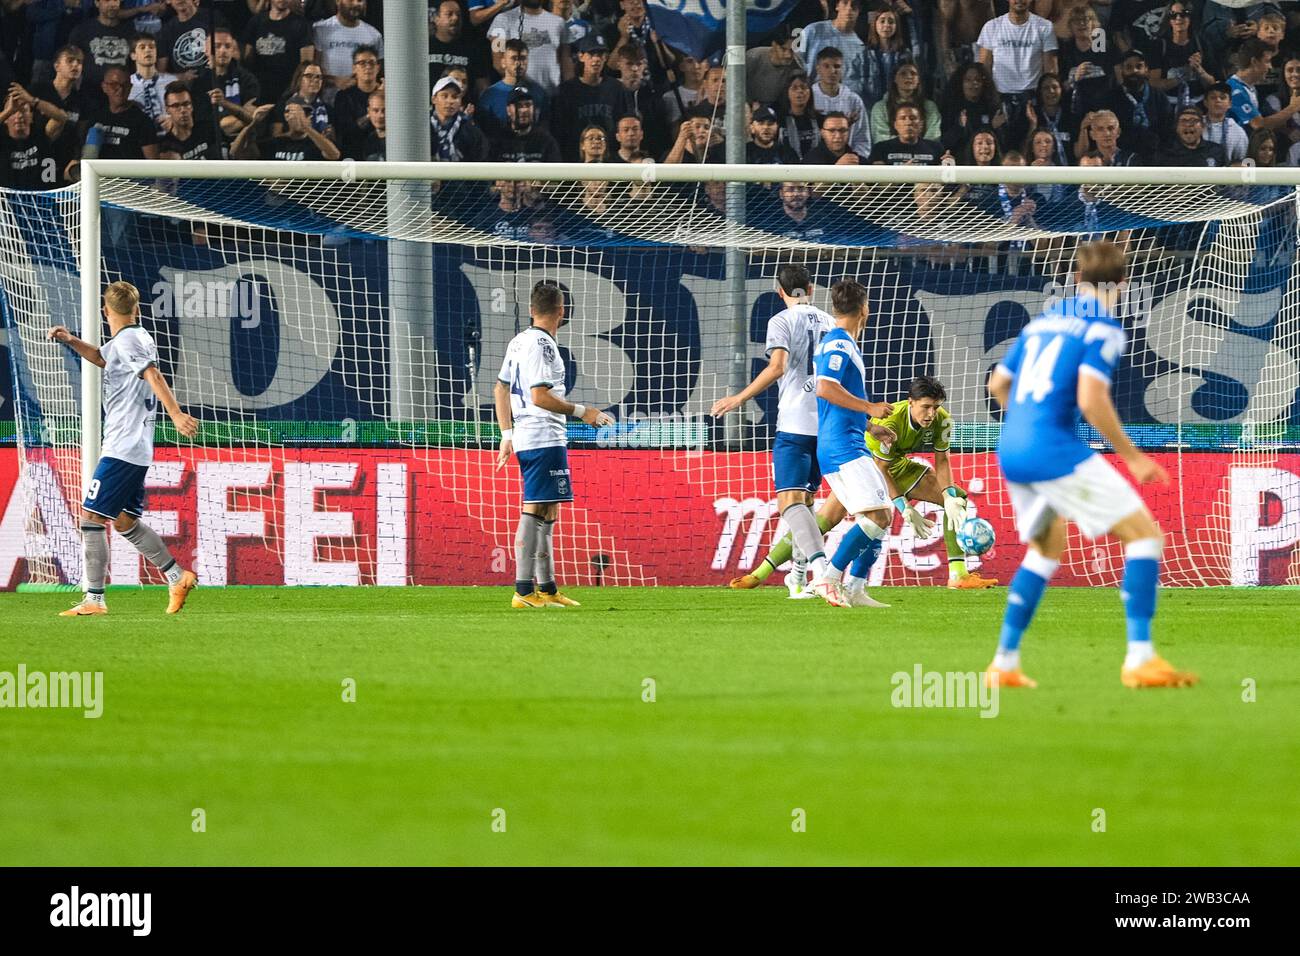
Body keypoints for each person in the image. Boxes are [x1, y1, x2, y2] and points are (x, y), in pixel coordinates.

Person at [984, 240, 1197, 689]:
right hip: (1052, 449)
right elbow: (1090, 397)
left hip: (1012, 448)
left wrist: (1026, 420)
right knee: (1144, 537)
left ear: (1076, 278)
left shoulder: (1040, 324)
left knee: (1045, 549)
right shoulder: (1103, 328)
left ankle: (1004, 663)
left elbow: (997, 383)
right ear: (1124, 283)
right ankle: (1140, 658)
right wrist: (1133, 457)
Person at [46, 281, 200, 617]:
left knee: (90, 517)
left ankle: (94, 599)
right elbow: (103, 358)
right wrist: (71, 340)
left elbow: (153, 374)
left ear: (105, 311)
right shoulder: (134, 337)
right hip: (133, 446)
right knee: (125, 521)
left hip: (123, 446)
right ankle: (177, 576)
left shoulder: (129, 341)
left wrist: (175, 414)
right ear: (137, 309)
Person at [711, 265, 839, 598]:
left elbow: (778, 366)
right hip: (825, 423)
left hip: (795, 422)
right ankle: (797, 577)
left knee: (790, 502)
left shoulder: (781, 321)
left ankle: (821, 570)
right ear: (809, 288)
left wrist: (738, 397)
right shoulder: (830, 322)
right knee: (806, 502)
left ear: (779, 290)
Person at [495, 281, 615, 608]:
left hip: (530, 435)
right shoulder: (543, 346)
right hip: (542, 435)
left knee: (548, 509)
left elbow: (500, 389)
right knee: (534, 508)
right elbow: (540, 396)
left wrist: (507, 435)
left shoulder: (519, 341)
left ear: (532, 310)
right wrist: (584, 412)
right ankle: (522, 590)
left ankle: (547, 589)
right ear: (562, 312)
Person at [808, 278, 899, 608]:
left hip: (847, 441)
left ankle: (857, 589)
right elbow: (826, 389)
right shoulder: (839, 343)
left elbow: (838, 399)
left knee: (878, 515)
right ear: (865, 309)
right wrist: (870, 407)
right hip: (841, 447)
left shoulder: (843, 342)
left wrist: (871, 426)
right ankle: (829, 578)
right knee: (879, 517)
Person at [862, 375, 999, 591]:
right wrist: (903, 507)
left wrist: (948, 496)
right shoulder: (892, 422)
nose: (931, 414)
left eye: (935, 407)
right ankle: (812, 572)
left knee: (958, 498)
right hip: (864, 465)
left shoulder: (942, 420)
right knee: (830, 519)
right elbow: (880, 469)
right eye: (925, 407)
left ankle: (958, 575)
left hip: (897, 465)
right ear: (910, 402)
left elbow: (942, 460)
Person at [551, 33, 629, 161]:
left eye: (600, 54)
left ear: (605, 58)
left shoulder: (616, 88)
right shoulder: (566, 91)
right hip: (574, 159)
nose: (596, 59)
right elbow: (559, 130)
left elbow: (621, 123)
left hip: (609, 159)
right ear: (581, 56)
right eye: (591, 54)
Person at [976, 0, 1057, 111]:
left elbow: (1050, 69)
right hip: (1000, 96)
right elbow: (984, 67)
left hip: (1033, 95)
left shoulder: (1044, 27)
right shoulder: (991, 27)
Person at [487, 0, 571, 97]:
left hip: (553, 95)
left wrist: (570, 88)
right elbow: (498, 62)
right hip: (519, 97)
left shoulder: (558, 22)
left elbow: (566, 60)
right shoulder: (502, 20)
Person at [242, 0, 314, 106]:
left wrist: (298, 91)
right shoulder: (256, 22)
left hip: (287, 93)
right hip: (260, 91)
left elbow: (306, 64)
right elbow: (248, 60)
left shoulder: (301, 24)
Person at [1104, 49, 1171, 161]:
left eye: (1139, 66)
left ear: (1146, 70)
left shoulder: (1158, 96)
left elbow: (1167, 128)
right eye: (1129, 67)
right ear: (1122, 71)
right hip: (1122, 157)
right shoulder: (1111, 98)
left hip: (1155, 155)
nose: (1134, 71)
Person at [0, 86, 68, 189]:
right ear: (5, 119)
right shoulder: (3, 139)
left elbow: (61, 118)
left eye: (23, 110)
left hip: (41, 200)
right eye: (14, 112)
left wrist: (32, 101)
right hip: (8, 201)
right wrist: (9, 110)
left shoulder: (42, 134)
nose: (19, 116)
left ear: (31, 117)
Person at [230, 97, 340, 160]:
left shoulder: (315, 144)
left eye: (305, 114)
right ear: (286, 116)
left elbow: (334, 155)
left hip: (304, 197)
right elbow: (235, 153)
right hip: (276, 197)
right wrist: (252, 123)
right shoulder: (276, 142)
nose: (301, 117)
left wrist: (306, 128)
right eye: (296, 113)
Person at [799, 0, 868, 100]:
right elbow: (795, 64)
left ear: (859, 10)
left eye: (854, 5)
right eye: (845, 3)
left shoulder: (859, 47)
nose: (849, 8)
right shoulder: (812, 30)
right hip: (809, 100)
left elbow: (853, 83)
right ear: (837, 6)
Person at [477, 40, 548, 137]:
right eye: (514, 58)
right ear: (503, 62)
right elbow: (482, 131)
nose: (518, 63)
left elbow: (544, 128)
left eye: (522, 58)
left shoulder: (539, 92)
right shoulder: (489, 95)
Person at [312, 0, 383, 95]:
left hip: (359, 102)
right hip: (325, 100)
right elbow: (311, 67)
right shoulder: (320, 29)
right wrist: (334, 80)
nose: (356, 4)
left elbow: (379, 71)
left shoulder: (374, 35)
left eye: (360, 0)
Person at [812, 47, 871, 155]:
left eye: (837, 66)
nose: (832, 71)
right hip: (815, 161)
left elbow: (862, 139)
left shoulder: (854, 100)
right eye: (826, 66)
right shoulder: (809, 97)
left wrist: (853, 160)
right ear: (818, 69)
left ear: (843, 69)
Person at [869, 59, 940, 146]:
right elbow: (880, 138)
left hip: (924, 154)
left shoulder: (929, 106)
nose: (909, 77)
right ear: (895, 78)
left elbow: (933, 137)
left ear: (918, 80)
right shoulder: (880, 107)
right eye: (903, 73)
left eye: (913, 73)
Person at [426, 0, 489, 95]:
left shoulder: (473, 48)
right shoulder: (425, 47)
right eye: (449, 14)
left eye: (458, 15)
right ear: (436, 19)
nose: (455, 18)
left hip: (465, 106)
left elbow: (483, 86)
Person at [69, 0, 134, 89]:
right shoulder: (82, 31)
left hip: (122, 94)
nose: (112, 4)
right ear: (96, 2)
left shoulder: (131, 32)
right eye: (107, 0)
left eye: (115, 0)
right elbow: (72, 64)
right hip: (90, 94)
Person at [332, 45, 382, 159]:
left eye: (371, 63)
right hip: (353, 154)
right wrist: (370, 116)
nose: (368, 67)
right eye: (362, 63)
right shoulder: (343, 97)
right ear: (354, 68)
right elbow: (343, 132)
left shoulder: (388, 94)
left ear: (378, 67)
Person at [491, 86, 561, 162]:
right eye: (519, 106)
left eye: (528, 105)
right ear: (508, 110)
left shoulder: (545, 141)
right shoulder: (498, 141)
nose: (524, 110)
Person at [428, 75, 489, 161]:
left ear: (460, 101)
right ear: (434, 99)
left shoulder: (471, 131)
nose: (450, 101)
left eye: (455, 97)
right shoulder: (421, 128)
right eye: (444, 96)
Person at [157, 81, 222, 159]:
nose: (183, 110)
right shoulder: (166, 146)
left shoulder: (209, 129)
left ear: (192, 106)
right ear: (167, 109)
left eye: (186, 104)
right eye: (176, 106)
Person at [747, 22, 805, 105]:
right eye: (783, 49)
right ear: (774, 44)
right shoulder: (753, 57)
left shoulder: (798, 66)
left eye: (792, 50)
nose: (788, 55)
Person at [128, 33, 177, 128]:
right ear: (133, 55)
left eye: (152, 47)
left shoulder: (171, 81)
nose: (148, 50)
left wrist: (173, 120)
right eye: (142, 47)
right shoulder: (128, 84)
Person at [868, 103, 942, 164]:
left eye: (913, 118)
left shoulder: (936, 148)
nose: (908, 122)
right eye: (903, 118)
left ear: (921, 124)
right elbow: (876, 179)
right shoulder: (881, 149)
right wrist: (903, 173)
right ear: (895, 125)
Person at [1154, 106, 1228, 165]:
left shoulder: (1217, 151)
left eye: (1194, 121)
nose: (1188, 125)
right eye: (1183, 121)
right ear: (1176, 128)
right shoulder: (1164, 152)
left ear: (1203, 126)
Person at [1201, 83, 1249, 163]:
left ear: (1230, 104)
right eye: (1213, 97)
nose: (1218, 100)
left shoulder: (1237, 131)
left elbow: (1241, 161)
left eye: (1222, 98)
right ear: (1205, 103)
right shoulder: (1196, 125)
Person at [778, 72, 820, 160]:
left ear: (810, 92)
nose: (800, 91)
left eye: (804, 87)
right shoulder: (779, 119)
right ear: (787, 92)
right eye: (794, 88)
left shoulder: (820, 120)